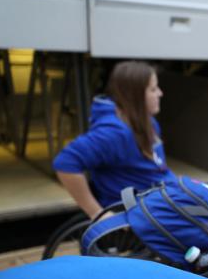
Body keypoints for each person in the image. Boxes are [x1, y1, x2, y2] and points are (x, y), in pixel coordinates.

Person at [53, 61, 177, 219]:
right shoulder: (114, 133)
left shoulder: (149, 123)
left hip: (161, 198)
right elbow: (65, 163)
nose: (160, 93)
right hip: (142, 211)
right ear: (135, 95)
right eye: (153, 89)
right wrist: (97, 213)